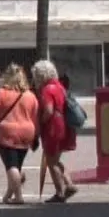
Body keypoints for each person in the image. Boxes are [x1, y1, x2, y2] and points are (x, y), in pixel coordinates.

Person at [0, 65, 39, 206]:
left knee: (11, 166)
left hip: (7, 132)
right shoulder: (30, 95)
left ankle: (19, 196)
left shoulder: (1, 93)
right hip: (27, 132)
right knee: (16, 166)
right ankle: (9, 194)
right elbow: (35, 117)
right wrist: (36, 136)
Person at [33, 60, 77, 204]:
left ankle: (60, 192)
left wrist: (40, 122)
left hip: (53, 126)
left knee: (51, 161)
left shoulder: (47, 89)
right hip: (64, 124)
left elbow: (48, 110)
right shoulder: (59, 86)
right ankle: (69, 184)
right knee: (56, 159)